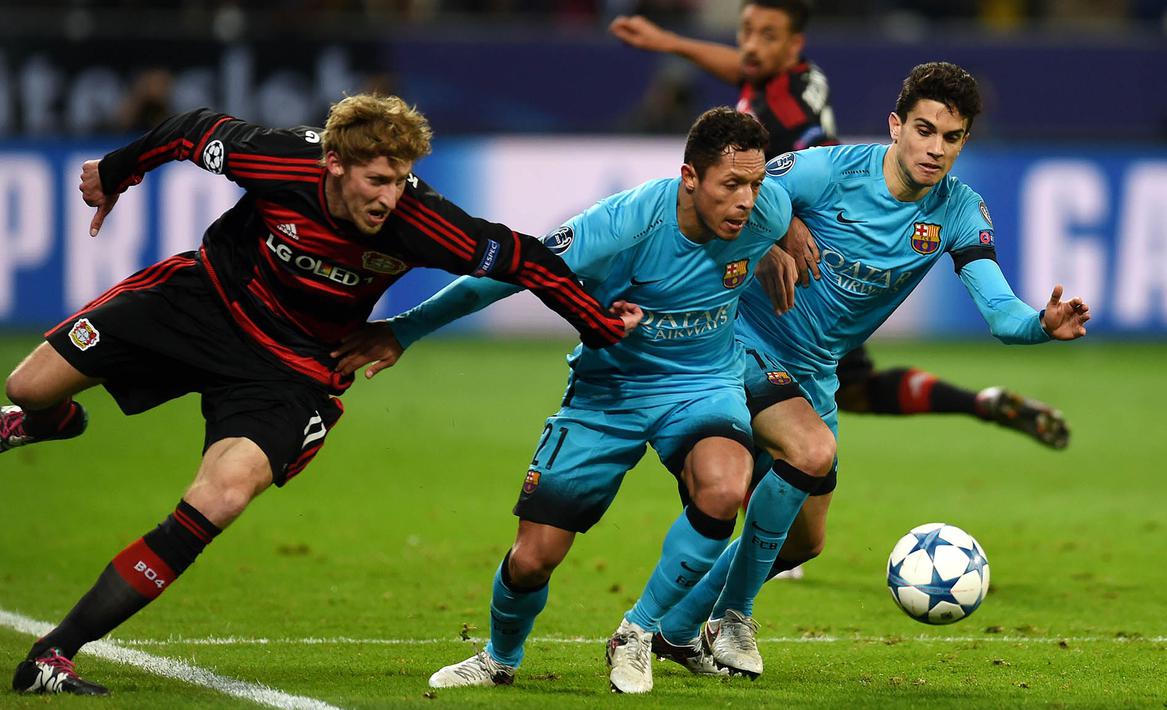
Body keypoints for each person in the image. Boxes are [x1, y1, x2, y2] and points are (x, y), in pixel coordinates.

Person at [0, 94, 641, 696]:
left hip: (291, 368)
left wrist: (601, 325)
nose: (388, 197)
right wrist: (119, 173)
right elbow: (190, 130)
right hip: (204, 301)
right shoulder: (277, 159)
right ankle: (52, 420)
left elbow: (523, 259)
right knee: (25, 385)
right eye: (376, 179)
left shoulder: (418, 220)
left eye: (400, 180)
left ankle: (53, 654)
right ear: (333, 164)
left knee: (221, 494)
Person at [331, 107, 819, 694]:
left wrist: (780, 236)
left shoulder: (767, 211)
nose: (747, 200)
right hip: (606, 392)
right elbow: (512, 272)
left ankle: (636, 633)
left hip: (702, 383)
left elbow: (790, 205)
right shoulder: (625, 223)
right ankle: (498, 657)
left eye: (756, 185)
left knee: (724, 485)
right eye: (731, 185)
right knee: (534, 558)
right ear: (690, 177)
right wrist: (404, 328)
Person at [652, 61, 1090, 678]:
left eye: (952, 137)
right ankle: (724, 619)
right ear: (896, 125)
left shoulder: (960, 211)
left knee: (806, 541)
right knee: (812, 451)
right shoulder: (830, 170)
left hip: (815, 370)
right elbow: (742, 193)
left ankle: (676, 627)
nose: (935, 149)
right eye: (924, 129)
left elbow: (999, 312)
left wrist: (1041, 325)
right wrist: (782, 231)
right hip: (743, 341)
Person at [611, 0, 1070, 451]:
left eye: (949, 137)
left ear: (794, 44)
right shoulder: (787, 80)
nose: (749, 46)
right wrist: (668, 41)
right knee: (774, 445)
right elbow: (750, 83)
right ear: (898, 126)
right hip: (757, 325)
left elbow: (819, 153)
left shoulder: (794, 112)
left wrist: (795, 216)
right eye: (744, 31)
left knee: (843, 403)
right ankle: (978, 403)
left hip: (818, 291)